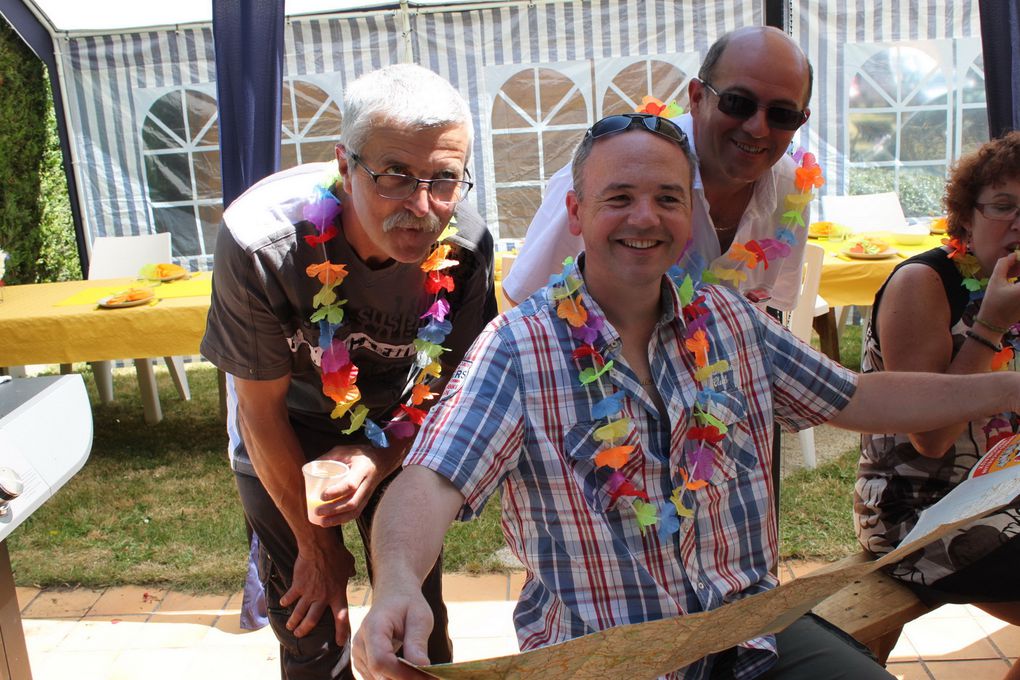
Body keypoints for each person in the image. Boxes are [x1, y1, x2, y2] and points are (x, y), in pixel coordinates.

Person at [352, 114, 1020, 680]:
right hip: (607, 659)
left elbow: (860, 399)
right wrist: (400, 583)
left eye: (668, 198)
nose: (645, 218)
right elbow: (431, 479)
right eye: (620, 197)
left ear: (688, 213)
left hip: (751, 633)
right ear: (577, 213)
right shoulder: (519, 346)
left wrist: (1009, 386)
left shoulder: (731, 321)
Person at [201, 63, 496, 679]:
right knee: (313, 620)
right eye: (394, 176)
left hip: (396, 426)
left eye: (444, 179)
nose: (421, 207)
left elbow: (451, 392)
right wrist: (316, 545)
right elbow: (257, 410)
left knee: (417, 625)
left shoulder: (464, 242)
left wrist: (377, 457)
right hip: (281, 432)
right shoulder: (262, 241)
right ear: (344, 162)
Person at [854, 132, 1020, 680]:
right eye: (1003, 206)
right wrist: (991, 323)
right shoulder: (924, 283)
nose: (1019, 221)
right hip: (921, 508)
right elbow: (930, 437)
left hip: (1007, 489)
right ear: (965, 218)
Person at [502, 26, 815, 313]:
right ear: (696, 97)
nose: (758, 128)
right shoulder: (610, 170)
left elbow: (772, 309)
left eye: (782, 114)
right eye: (737, 103)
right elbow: (526, 303)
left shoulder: (792, 189)